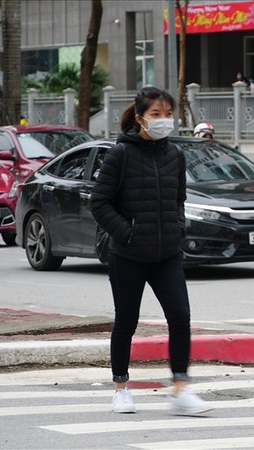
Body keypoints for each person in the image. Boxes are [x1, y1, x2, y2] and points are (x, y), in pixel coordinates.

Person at [90, 86, 212, 416]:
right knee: (126, 322)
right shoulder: (120, 154)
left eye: (168, 115)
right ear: (141, 118)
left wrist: (178, 227)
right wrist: (127, 233)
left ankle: (180, 389)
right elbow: (99, 203)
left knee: (181, 318)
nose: (163, 121)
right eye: (156, 115)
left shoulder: (175, 155)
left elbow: (178, 200)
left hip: (167, 254)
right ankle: (121, 388)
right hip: (128, 256)